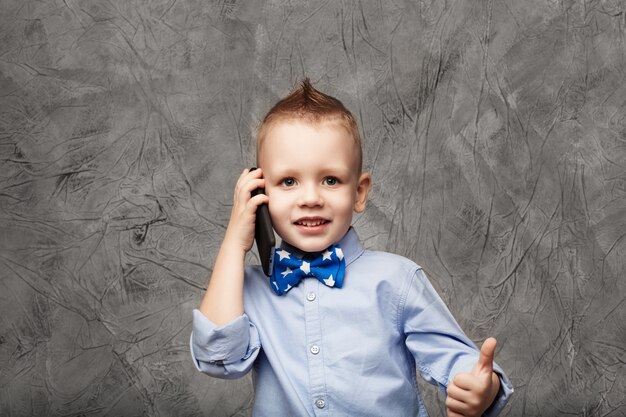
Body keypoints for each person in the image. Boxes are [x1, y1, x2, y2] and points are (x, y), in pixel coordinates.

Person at [190, 79, 513, 416]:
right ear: (260, 193)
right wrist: (233, 244)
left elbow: (459, 363)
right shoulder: (246, 290)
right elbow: (217, 356)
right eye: (288, 181)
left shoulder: (397, 279)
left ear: (359, 192)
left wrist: (483, 388)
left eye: (330, 180)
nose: (311, 199)